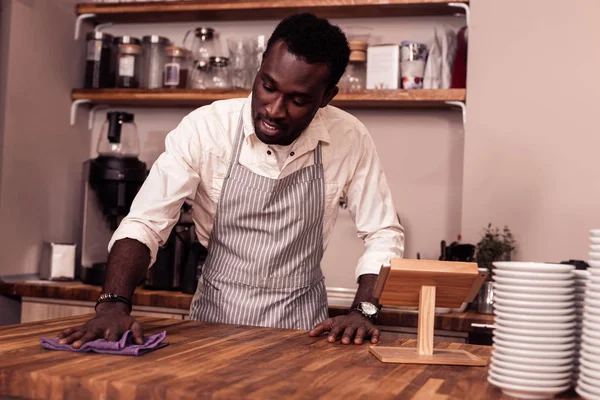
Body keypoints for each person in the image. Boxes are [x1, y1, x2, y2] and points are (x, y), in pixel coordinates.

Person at [59, 13, 404, 348]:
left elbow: (383, 233)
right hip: (211, 324)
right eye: (268, 86)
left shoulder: (350, 138)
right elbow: (146, 223)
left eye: (297, 100)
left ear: (326, 98)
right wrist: (113, 305)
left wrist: (364, 310)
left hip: (304, 333)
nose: (273, 110)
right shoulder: (206, 129)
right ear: (259, 70)